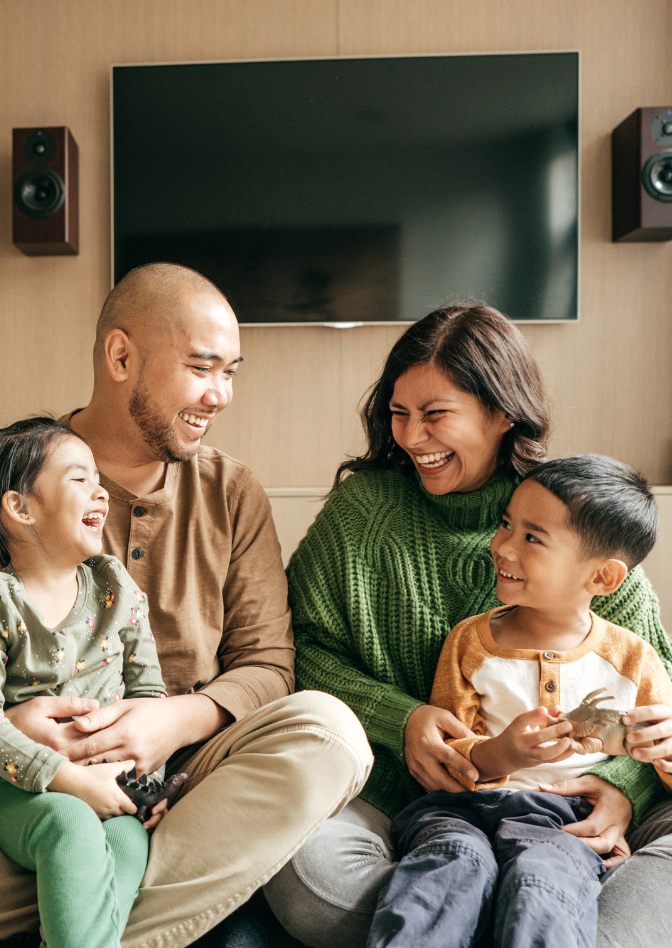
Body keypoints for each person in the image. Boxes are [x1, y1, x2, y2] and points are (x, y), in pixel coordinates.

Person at [0, 263, 373, 948]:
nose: (221, 394)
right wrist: (9, 731)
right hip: (12, 781)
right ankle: (109, 905)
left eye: (230, 371)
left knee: (329, 734)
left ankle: (71, 910)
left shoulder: (232, 492)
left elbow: (267, 667)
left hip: (180, 783)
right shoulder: (2, 479)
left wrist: (171, 721)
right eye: (203, 368)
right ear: (121, 356)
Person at [263, 304, 672, 948]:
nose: (410, 436)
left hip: (560, 817)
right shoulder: (361, 513)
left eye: (435, 415)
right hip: (409, 802)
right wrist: (400, 718)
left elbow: (654, 695)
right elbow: (296, 652)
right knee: (307, 875)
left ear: (502, 413)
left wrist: (616, 788)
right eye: (398, 413)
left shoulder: (573, 515)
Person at [367, 455, 672, 948]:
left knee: (544, 884)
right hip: (460, 811)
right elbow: (453, 752)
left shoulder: (633, 658)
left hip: (564, 824)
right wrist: (503, 753)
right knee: (445, 868)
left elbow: (662, 766)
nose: (502, 546)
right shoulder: (469, 641)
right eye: (506, 524)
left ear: (602, 578)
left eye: (532, 537)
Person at [0, 417, 169, 948]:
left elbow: (149, 698)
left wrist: (147, 777)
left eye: (98, 479)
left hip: (112, 782)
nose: (100, 491)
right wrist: (66, 780)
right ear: (20, 508)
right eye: (78, 479)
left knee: (126, 845)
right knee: (69, 827)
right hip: (18, 788)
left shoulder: (119, 590)